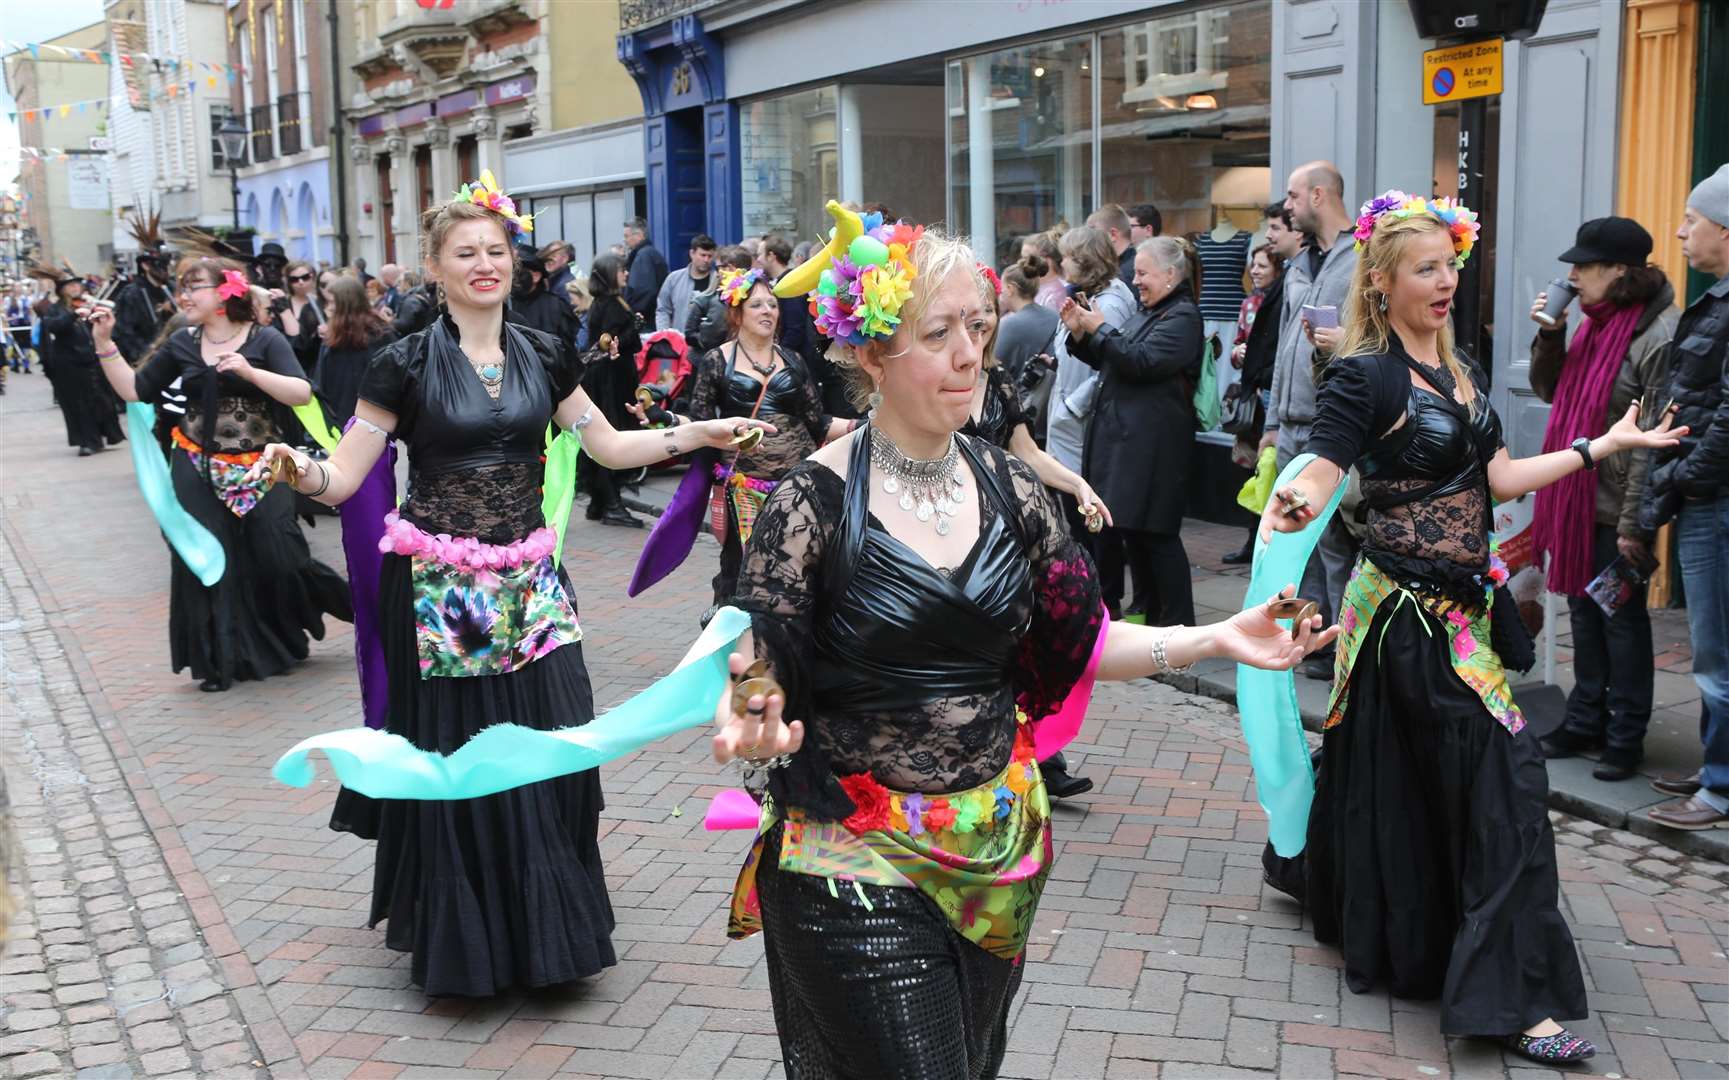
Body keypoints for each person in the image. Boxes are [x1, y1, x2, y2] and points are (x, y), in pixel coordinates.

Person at [710, 217, 1338, 1077]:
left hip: (995, 854)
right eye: (938, 333)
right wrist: (755, 712)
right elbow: (763, 657)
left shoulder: (1011, 489)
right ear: (871, 355)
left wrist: (1214, 636)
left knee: (969, 1061)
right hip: (849, 861)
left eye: (978, 326)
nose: (970, 354)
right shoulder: (810, 501)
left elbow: (1077, 642)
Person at [248, 178, 773, 996]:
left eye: (496, 250)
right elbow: (347, 477)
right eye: (466, 253)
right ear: (436, 267)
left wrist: (696, 432)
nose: (484, 263)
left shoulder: (543, 351)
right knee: (466, 752)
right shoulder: (402, 363)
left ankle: (549, 929)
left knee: (554, 736)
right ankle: (470, 939)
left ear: (514, 261)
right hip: (442, 588)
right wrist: (297, 470)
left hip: (530, 579)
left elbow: (604, 448)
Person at [1262, 192, 1685, 1063]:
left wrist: (1602, 448)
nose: (1445, 281)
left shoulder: (1460, 367)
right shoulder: (1364, 373)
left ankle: (1406, 925)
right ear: (1380, 284)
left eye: (1449, 265)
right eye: (1425, 268)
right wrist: (1301, 495)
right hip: (1406, 620)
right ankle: (1511, 998)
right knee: (1506, 783)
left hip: (1462, 611)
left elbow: (1494, 479)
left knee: (1426, 782)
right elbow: (1327, 457)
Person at [89, 256, 352, 692]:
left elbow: (301, 391)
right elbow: (134, 390)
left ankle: (300, 622)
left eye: (194, 286)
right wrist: (104, 342)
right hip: (197, 463)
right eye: (182, 287)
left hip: (266, 466)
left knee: (280, 555)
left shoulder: (264, 339)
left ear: (226, 292)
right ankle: (222, 660)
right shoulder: (181, 344)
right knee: (208, 560)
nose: (184, 296)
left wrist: (250, 371)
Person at [1527, 218, 1677, 781]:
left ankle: (1625, 735)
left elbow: (1651, 444)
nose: (1571, 275)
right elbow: (1551, 390)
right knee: (1584, 616)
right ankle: (1584, 718)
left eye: (1583, 267)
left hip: (1618, 503)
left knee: (1621, 620)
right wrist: (1549, 332)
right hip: (1578, 493)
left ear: (1619, 271)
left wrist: (1634, 524)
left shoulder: (1657, 333)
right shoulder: (1593, 322)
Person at [968, 264, 1111, 800]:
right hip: (952, 537)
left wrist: (1078, 486)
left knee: (1027, 643)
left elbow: (1026, 453)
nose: (979, 325)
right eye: (969, 315)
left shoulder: (1000, 381)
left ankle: (1041, 756)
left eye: (986, 315)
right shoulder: (934, 382)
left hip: (1004, 531)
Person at [636, 267, 850, 607]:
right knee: (742, 572)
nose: (768, 311)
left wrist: (864, 425)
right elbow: (702, 424)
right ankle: (734, 641)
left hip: (798, 488)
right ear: (737, 313)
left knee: (804, 570)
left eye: (773, 305)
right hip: (745, 490)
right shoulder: (717, 361)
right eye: (757, 305)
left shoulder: (793, 360)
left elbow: (818, 423)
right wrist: (665, 417)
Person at [1640, 163, 1729, 830]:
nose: (1678, 231)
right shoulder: (1717, 299)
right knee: (1712, 648)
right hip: (1706, 495)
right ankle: (1715, 766)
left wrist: (1685, 476)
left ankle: (1721, 789)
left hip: (1715, 501)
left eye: (1690, 220)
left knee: (1716, 652)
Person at [1061, 236, 1202, 626]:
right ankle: (1154, 623)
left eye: (1143, 272)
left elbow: (1142, 360)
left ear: (1171, 274)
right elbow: (1115, 360)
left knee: (1157, 537)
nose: (1135, 280)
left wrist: (1101, 329)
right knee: (1137, 536)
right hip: (1131, 446)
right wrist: (1081, 334)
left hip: (1155, 450)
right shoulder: (1149, 312)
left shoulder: (1183, 318)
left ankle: (1179, 626)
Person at [1267, 160, 1361, 678]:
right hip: (1292, 421)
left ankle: (1343, 648)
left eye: (1293, 195)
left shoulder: (1363, 259)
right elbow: (1286, 345)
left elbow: (1377, 339)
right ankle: (1301, 643)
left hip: (1335, 422)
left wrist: (1343, 344)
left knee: (1336, 546)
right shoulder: (1300, 263)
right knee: (1291, 545)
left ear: (1320, 196)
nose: (1287, 205)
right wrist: (1271, 420)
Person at [1044, 228, 1139, 547]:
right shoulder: (1092, 296)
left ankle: (1098, 586)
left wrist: (1072, 407)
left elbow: (1110, 365)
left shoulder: (1108, 304)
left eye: (1068, 256)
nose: (1062, 262)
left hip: (1081, 419)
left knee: (1085, 509)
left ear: (1086, 260)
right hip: (1072, 415)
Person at [1222, 242, 1288, 564]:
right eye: (1253, 264)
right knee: (1250, 471)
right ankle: (1252, 542)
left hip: (1274, 400)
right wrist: (1239, 354)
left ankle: (1269, 541)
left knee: (1270, 471)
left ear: (1277, 267)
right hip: (1253, 403)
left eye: (1262, 265)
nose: (1255, 270)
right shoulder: (1248, 304)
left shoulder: (1283, 301)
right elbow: (1237, 347)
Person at [581, 252, 646, 527]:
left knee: (607, 435)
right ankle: (611, 503)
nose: (626, 273)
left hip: (611, 378)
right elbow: (614, 345)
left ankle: (600, 501)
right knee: (614, 435)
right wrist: (635, 328)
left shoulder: (606, 303)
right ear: (609, 274)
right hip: (610, 381)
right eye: (621, 269)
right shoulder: (610, 305)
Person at [32, 268, 124, 456]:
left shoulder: (89, 303)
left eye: (77, 284)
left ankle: (103, 435)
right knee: (78, 405)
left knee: (101, 401)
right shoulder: (54, 309)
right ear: (62, 289)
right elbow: (54, 326)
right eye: (70, 285)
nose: (75, 287)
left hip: (92, 360)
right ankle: (86, 442)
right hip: (70, 364)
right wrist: (74, 314)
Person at [313, 276, 397, 424]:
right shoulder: (334, 337)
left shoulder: (378, 335)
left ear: (345, 304)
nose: (329, 307)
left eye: (333, 302)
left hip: (371, 419)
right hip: (351, 418)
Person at [686, 246, 754, 355]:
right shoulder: (707, 298)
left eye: (719, 268)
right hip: (708, 359)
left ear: (730, 269)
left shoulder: (753, 297)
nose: (717, 273)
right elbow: (690, 335)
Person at [112, 251, 176, 364]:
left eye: (166, 264)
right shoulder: (132, 293)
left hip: (173, 354)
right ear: (145, 265)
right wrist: (144, 354)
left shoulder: (173, 289)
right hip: (146, 359)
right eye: (159, 264)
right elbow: (124, 331)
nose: (164, 269)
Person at [506, 247, 578, 341]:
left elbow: (566, 348)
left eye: (518, 271)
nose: (513, 276)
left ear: (536, 276)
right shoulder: (506, 305)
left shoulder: (555, 306)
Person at [656, 233, 716, 332]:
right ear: (692, 253)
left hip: (709, 341)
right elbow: (663, 309)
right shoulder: (674, 279)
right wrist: (664, 334)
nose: (706, 260)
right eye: (703, 255)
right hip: (681, 340)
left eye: (710, 256)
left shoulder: (718, 280)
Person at [273, 260, 323, 377]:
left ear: (313, 277)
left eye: (305, 277)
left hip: (315, 363)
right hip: (289, 362)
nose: (300, 282)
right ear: (288, 282)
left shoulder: (321, 304)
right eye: (294, 279)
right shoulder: (283, 303)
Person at [622, 216, 669, 325]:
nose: (625, 240)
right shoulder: (650, 253)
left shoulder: (643, 256)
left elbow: (644, 290)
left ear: (639, 236)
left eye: (626, 236)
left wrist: (633, 312)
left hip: (646, 320)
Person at [1086, 204, 1137, 288]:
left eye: (1094, 234)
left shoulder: (1128, 273)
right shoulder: (1118, 267)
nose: (1088, 241)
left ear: (1113, 234)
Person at [1020, 232, 1067, 311]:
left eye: (1027, 259)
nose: (1021, 263)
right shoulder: (1034, 287)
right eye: (1022, 258)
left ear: (1046, 261)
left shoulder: (1056, 293)